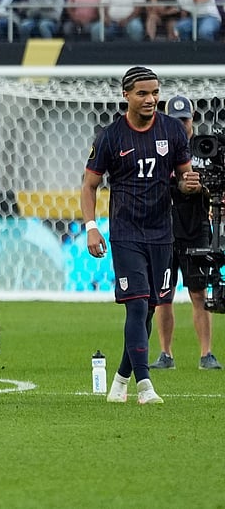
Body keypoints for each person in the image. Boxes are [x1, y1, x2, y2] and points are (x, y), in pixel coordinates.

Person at [81, 66, 198, 404]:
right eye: (143, 93)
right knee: (136, 307)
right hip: (125, 232)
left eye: (155, 93)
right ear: (126, 95)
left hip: (163, 233)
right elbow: (90, 186)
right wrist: (91, 228)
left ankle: (119, 380)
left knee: (148, 308)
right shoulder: (110, 136)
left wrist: (188, 183)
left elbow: (183, 177)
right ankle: (145, 386)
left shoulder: (173, 130)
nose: (151, 99)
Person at [150, 95, 222, 371]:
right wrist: (180, 186)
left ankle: (207, 353)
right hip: (163, 231)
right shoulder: (157, 148)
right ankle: (165, 354)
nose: (182, 125)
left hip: (197, 229)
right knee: (163, 295)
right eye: (176, 120)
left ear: (193, 119)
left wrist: (201, 188)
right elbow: (152, 186)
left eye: (186, 119)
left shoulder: (207, 149)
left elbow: (217, 186)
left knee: (199, 293)